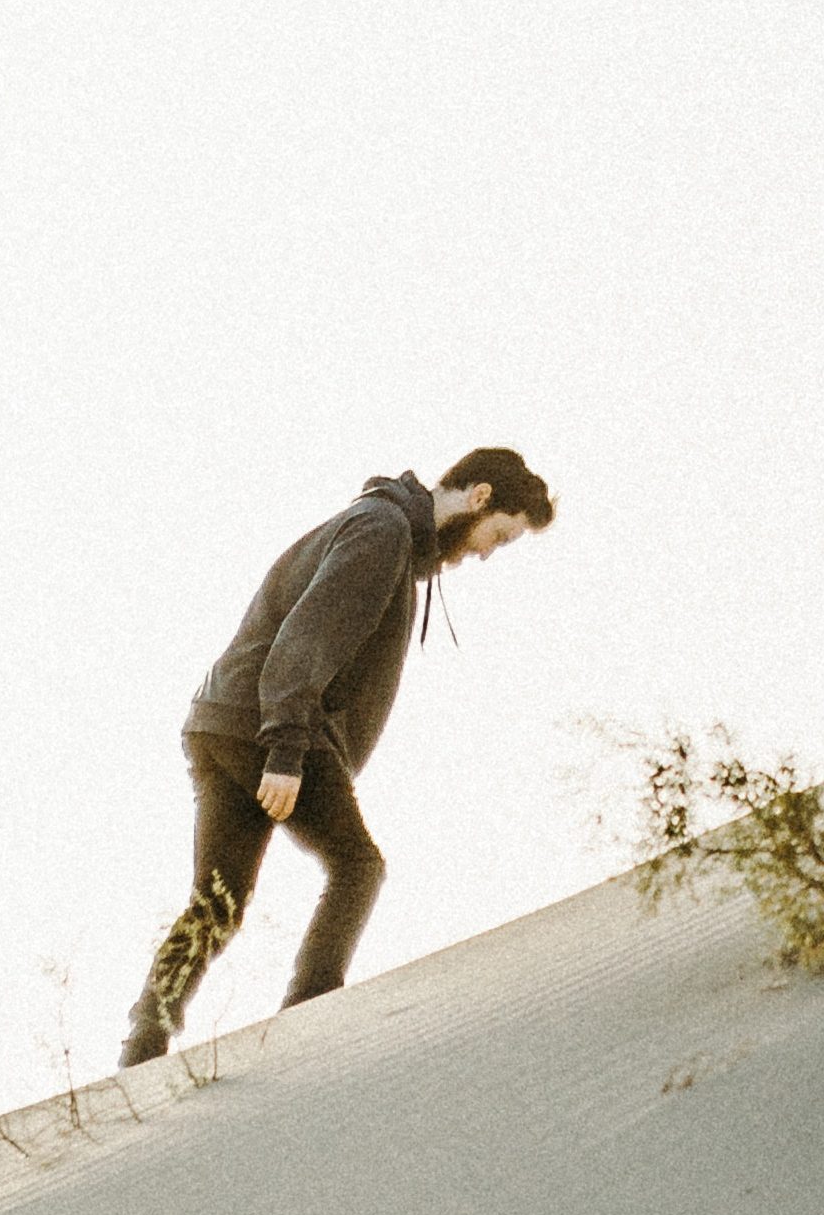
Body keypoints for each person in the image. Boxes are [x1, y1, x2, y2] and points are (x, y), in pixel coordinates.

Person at [118, 449, 556, 1066]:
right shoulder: (383, 533)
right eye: (498, 537)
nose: (485, 553)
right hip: (271, 729)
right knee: (358, 868)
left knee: (219, 900)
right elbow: (307, 637)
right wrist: (287, 750)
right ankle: (309, 1022)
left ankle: (143, 1042)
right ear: (479, 497)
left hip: (224, 722)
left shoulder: (384, 532)